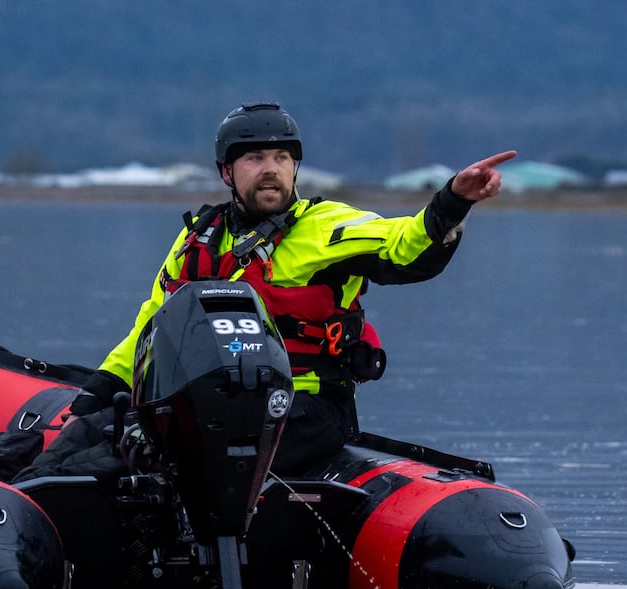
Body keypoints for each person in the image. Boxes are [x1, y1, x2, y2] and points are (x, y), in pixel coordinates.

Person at [33, 101, 514, 477]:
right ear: (227, 172)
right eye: (256, 158)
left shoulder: (328, 228)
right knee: (83, 442)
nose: (272, 168)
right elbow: (150, 330)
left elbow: (406, 247)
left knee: (172, 455)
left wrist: (452, 201)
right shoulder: (197, 241)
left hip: (303, 408)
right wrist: (94, 397)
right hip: (204, 405)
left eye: (282, 157)